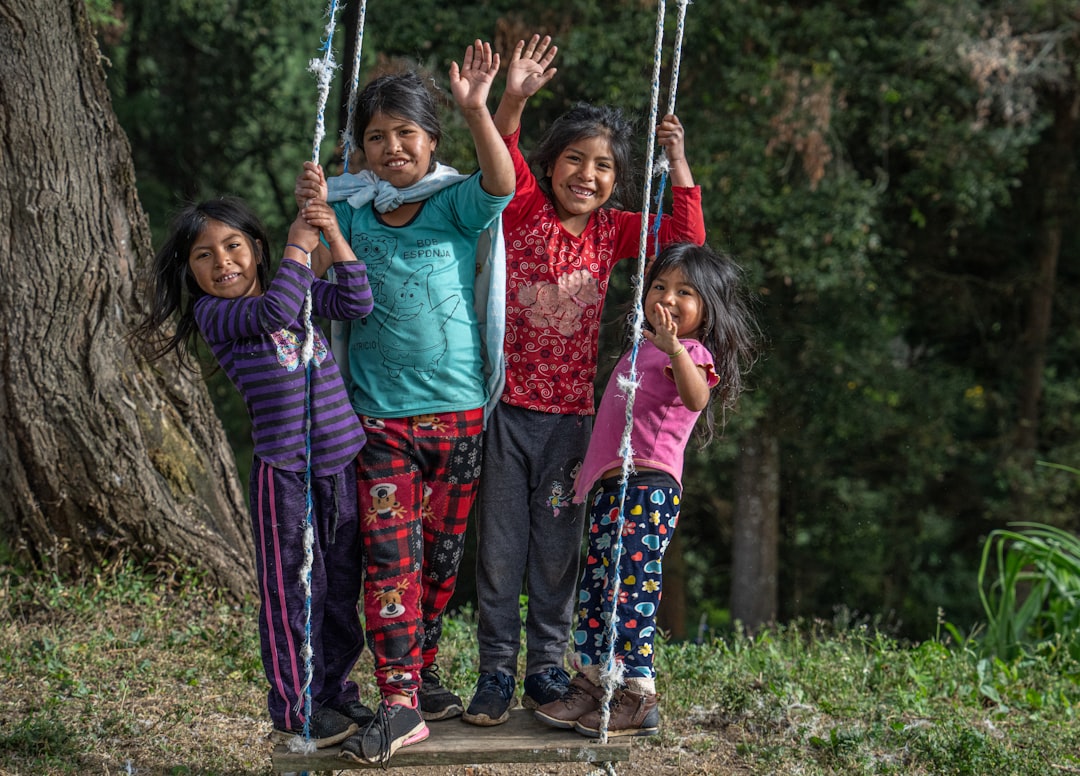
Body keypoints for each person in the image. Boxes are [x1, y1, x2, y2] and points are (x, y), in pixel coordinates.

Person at [464, 34, 707, 727]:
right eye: (576, 158)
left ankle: (546, 669)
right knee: (501, 551)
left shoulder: (613, 232)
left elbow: (684, 242)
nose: (588, 174)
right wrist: (514, 97)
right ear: (552, 164)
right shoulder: (525, 210)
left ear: (616, 181)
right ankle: (494, 673)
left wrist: (678, 162)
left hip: (574, 422)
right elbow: (503, 152)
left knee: (557, 556)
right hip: (508, 412)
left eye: (603, 166)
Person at [293, 39, 514, 764]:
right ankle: (398, 703)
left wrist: (479, 108)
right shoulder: (352, 213)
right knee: (391, 559)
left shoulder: (452, 205)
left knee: (441, 562)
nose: (392, 149)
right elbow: (320, 280)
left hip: (459, 416)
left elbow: (502, 183)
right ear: (358, 150)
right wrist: (314, 217)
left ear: (432, 142)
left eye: (407, 134)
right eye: (376, 138)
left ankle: (418, 673)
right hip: (379, 419)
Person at [133, 194, 375, 748]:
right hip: (285, 475)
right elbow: (275, 313)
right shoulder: (216, 313)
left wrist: (329, 234)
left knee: (340, 589)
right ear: (191, 272)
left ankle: (335, 691)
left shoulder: (298, 290)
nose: (223, 263)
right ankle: (296, 706)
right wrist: (298, 245)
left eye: (234, 246)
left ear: (256, 249)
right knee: (294, 590)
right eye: (204, 256)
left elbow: (358, 301)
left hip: (339, 465)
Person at [535, 241, 757, 737]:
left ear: (707, 308)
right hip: (615, 489)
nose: (668, 296)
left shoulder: (690, 351)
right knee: (597, 588)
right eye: (660, 285)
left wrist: (676, 348)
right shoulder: (640, 349)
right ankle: (594, 682)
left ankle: (638, 694)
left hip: (649, 487)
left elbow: (697, 395)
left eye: (685, 291)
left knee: (631, 587)